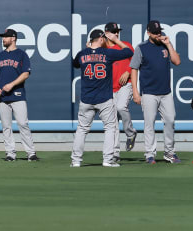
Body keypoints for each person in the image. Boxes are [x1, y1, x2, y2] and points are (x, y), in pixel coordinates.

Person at [71, 29, 133, 167]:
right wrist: (117, 40)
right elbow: (129, 52)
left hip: (86, 99)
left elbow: (75, 63)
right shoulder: (107, 53)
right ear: (100, 38)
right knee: (110, 128)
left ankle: (76, 161)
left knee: (82, 129)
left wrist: (87, 50)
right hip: (104, 98)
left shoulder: (82, 54)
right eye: (104, 38)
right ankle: (107, 160)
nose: (105, 40)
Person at [130, 20, 181, 164]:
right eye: (155, 32)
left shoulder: (165, 45)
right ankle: (150, 154)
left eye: (160, 31)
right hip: (149, 92)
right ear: (148, 33)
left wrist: (169, 44)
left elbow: (177, 61)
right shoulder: (141, 48)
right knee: (149, 124)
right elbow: (134, 69)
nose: (159, 34)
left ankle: (169, 152)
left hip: (166, 92)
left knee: (170, 121)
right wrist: (135, 91)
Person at [0, 29, 38, 162]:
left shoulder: (21, 55)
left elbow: (25, 73)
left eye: (6, 37)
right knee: (6, 126)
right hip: (2, 97)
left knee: (23, 124)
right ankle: (10, 153)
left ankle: (31, 153)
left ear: (13, 38)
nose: (3, 39)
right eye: (3, 37)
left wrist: (11, 84)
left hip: (18, 94)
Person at [104, 22, 137, 162]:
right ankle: (115, 153)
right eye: (113, 31)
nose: (116, 33)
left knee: (121, 107)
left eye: (117, 31)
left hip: (125, 84)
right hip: (109, 87)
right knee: (113, 122)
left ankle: (130, 133)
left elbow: (136, 61)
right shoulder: (101, 48)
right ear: (106, 33)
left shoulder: (126, 45)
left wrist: (128, 72)